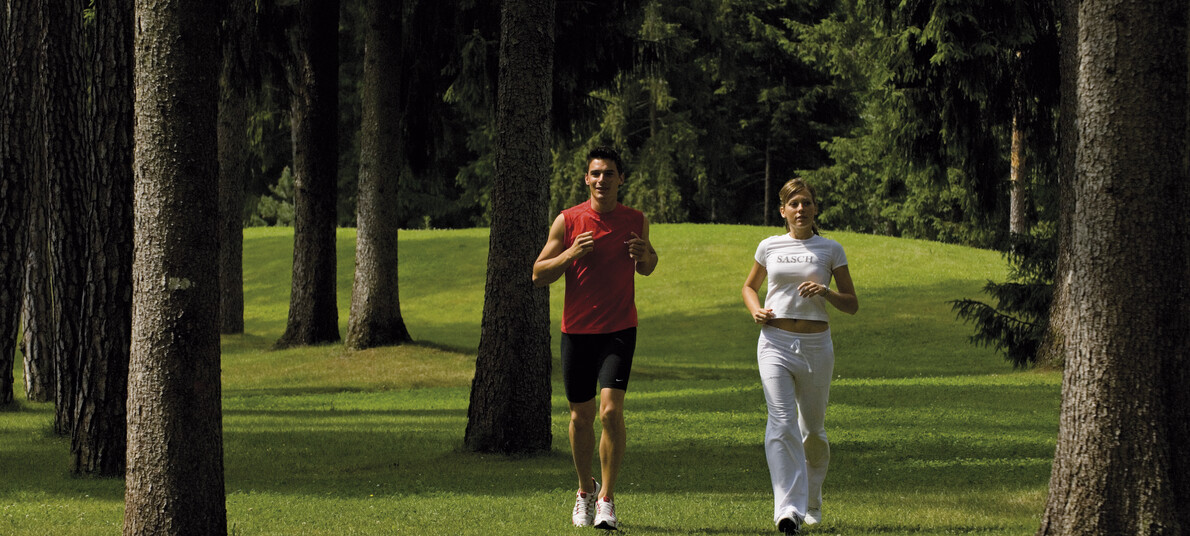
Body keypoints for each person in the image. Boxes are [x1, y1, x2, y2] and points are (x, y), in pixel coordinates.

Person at [533, 146, 658, 530]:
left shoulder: (636, 219)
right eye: (596, 174)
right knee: (580, 416)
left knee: (610, 412)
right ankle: (583, 492)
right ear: (586, 179)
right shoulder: (568, 220)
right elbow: (539, 273)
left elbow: (648, 266)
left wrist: (645, 255)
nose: (602, 180)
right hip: (577, 332)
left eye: (609, 173)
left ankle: (607, 498)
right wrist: (570, 254)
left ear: (621, 178)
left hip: (619, 330)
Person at [741, 178, 858, 535]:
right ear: (783, 211)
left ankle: (812, 498)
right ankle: (787, 509)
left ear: (815, 208)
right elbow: (749, 287)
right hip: (774, 342)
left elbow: (851, 304)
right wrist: (755, 310)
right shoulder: (769, 246)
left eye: (806, 202)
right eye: (794, 204)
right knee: (780, 422)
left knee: (813, 431)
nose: (801, 209)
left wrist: (826, 290)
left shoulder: (830, 249)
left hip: (816, 347)